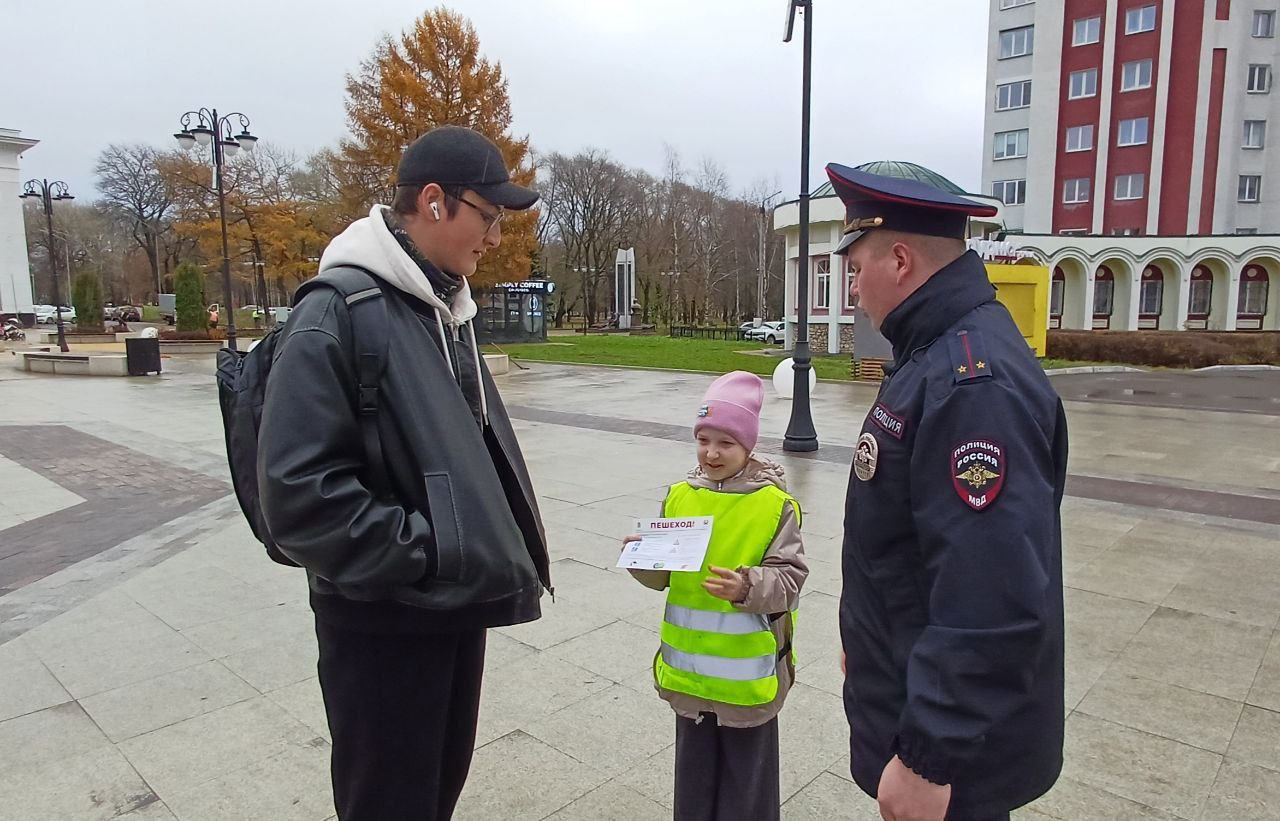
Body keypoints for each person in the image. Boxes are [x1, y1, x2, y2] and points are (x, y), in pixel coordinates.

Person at [257, 125, 552, 821]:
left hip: (449, 606)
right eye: (488, 215)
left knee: (432, 796)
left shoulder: (440, 308)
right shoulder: (336, 312)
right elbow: (298, 493)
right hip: (384, 620)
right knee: (388, 802)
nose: (496, 236)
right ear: (434, 202)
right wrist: (423, 550)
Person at [829, 164, 1068, 821]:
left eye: (857, 267)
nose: (852, 288)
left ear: (900, 260)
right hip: (919, 699)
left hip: (956, 759)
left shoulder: (973, 383)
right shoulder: (931, 351)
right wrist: (866, 626)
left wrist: (927, 757)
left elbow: (992, 594)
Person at [624, 371, 807, 821]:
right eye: (703, 439)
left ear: (748, 446)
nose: (711, 452)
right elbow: (663, 579)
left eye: (725, 442)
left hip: (747, 679)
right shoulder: (680, 496)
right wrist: (641, 559)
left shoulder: (774, 505)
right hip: (687, 675)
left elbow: (791, 581)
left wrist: (747, 587)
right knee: (694, 781)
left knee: (748, 786)